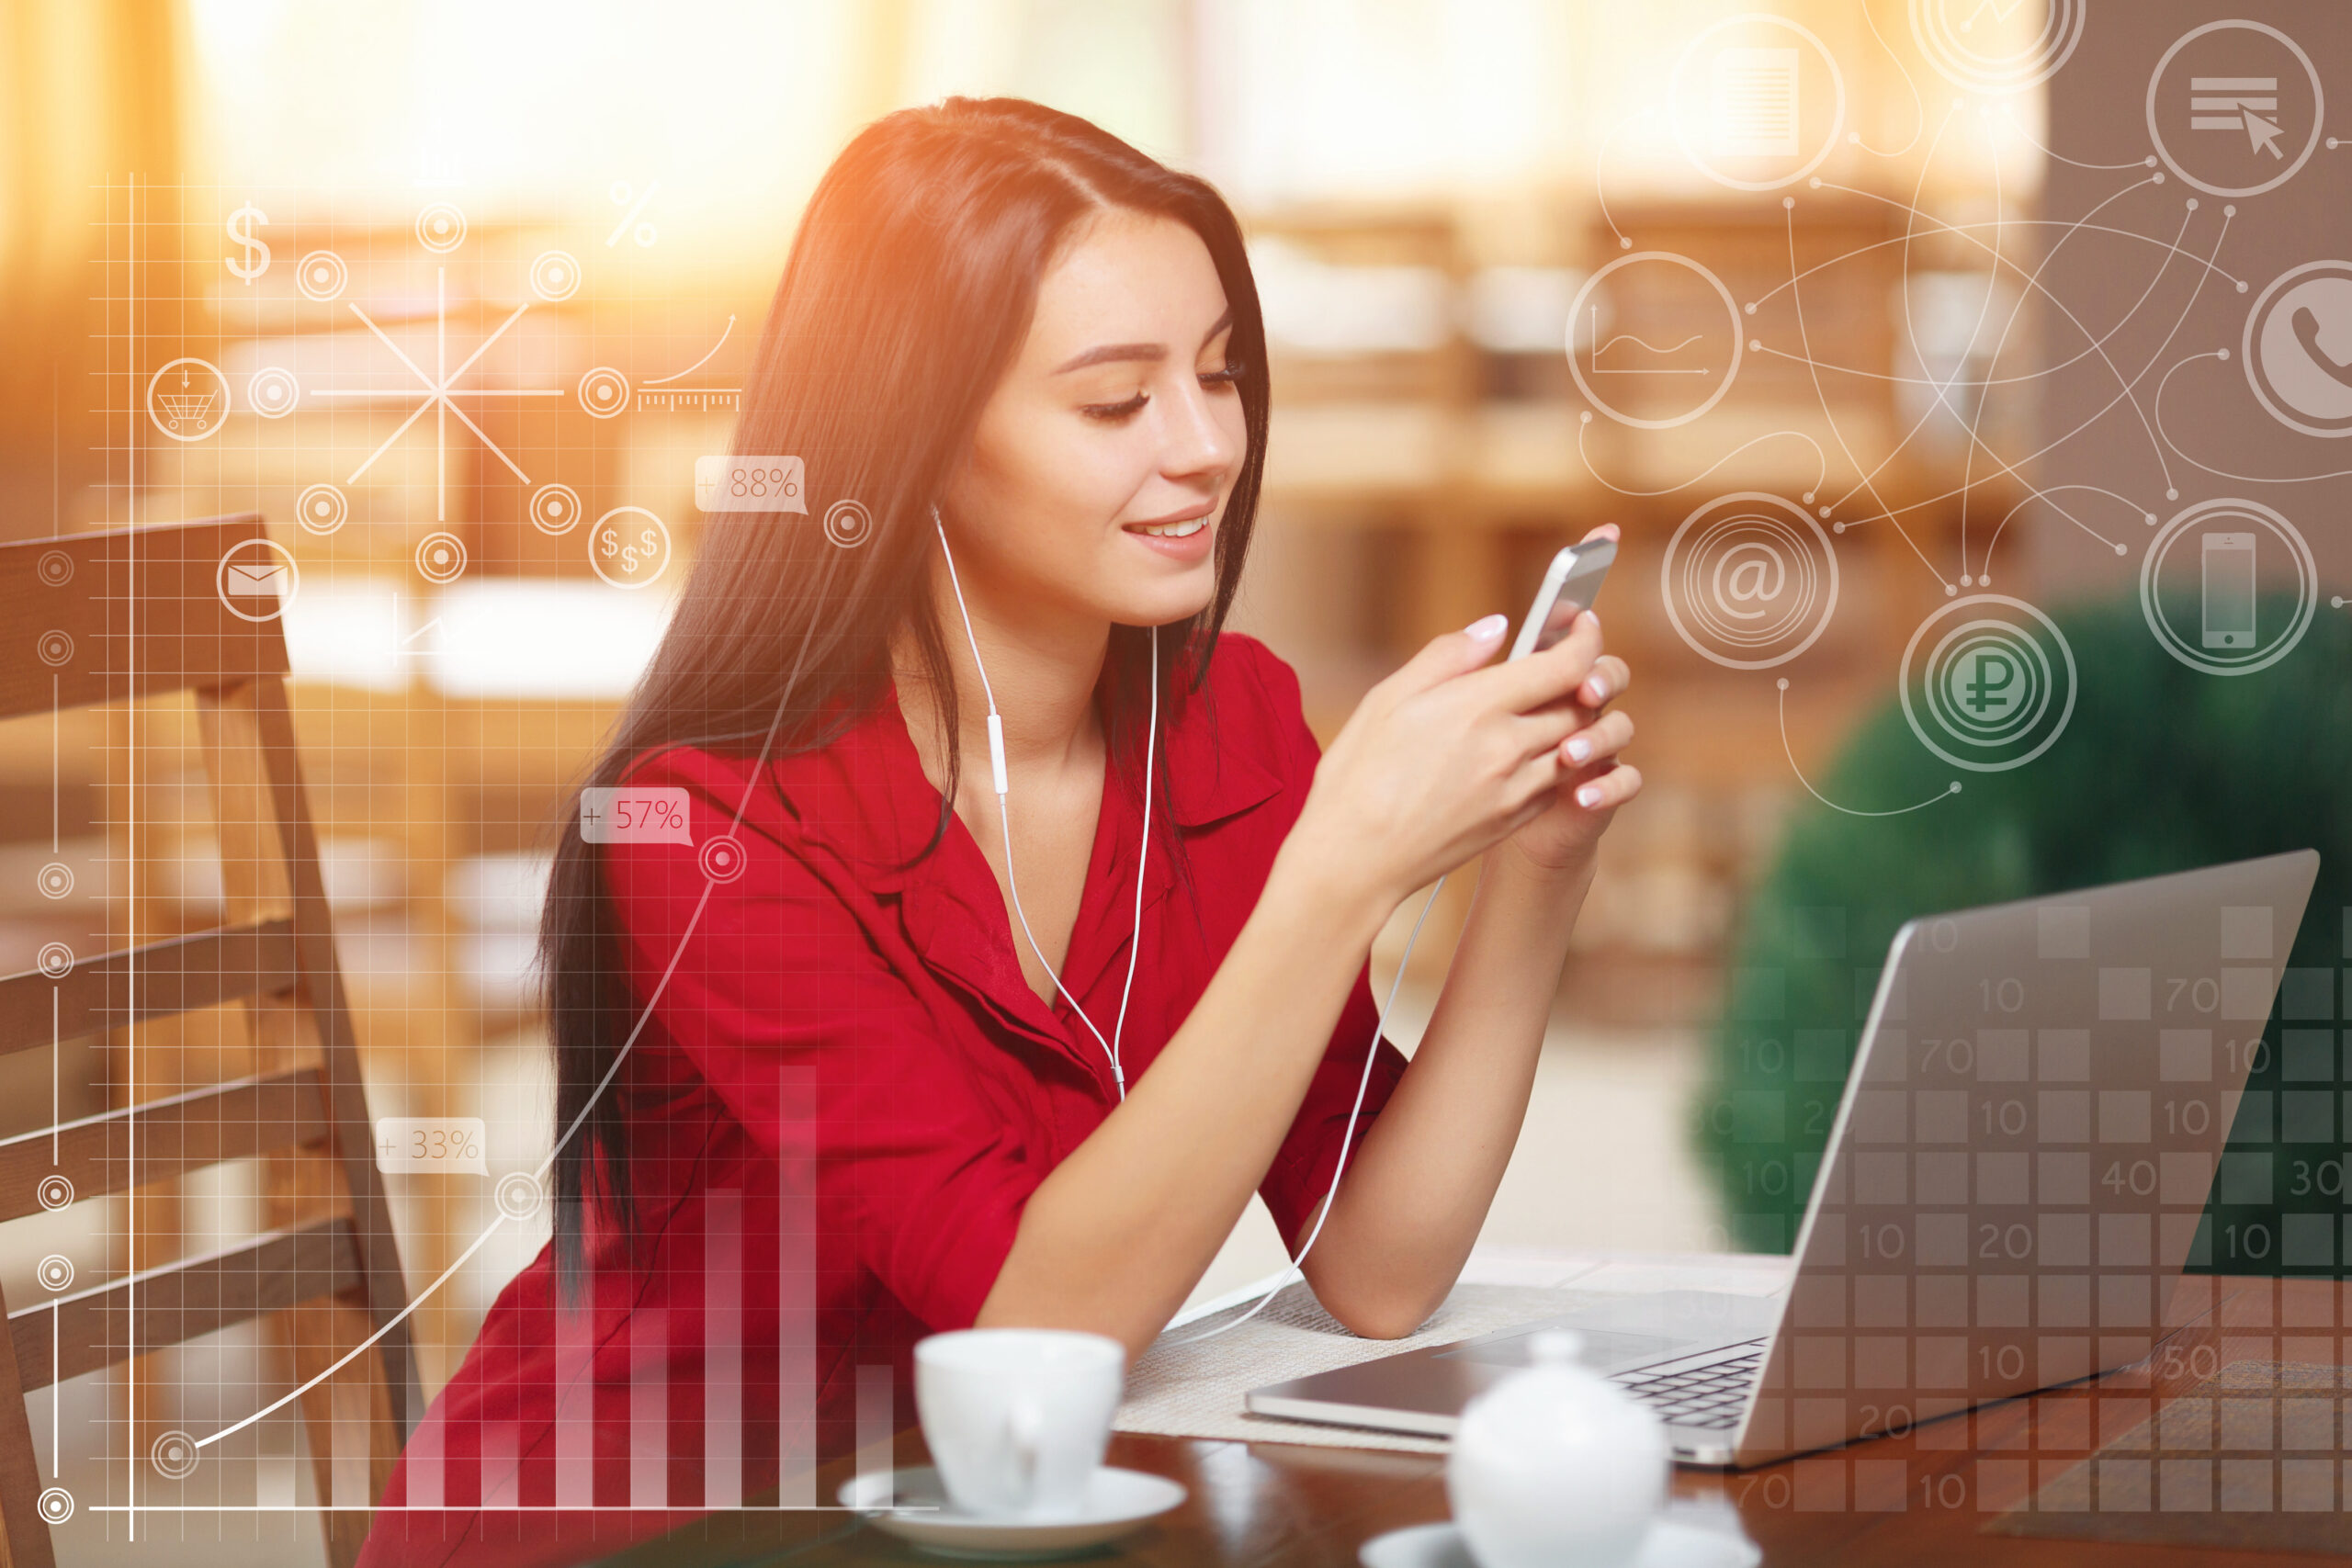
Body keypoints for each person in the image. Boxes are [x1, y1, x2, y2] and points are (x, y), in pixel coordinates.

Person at [357, 96, 1637, 1567]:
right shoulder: (709, 829)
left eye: (1220, 375)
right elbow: (1040, 1324)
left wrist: (1538, 872)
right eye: (1115, 402)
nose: (1208, 444)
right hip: (659, 1524)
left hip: (972, 1514)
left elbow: (1378, 1265)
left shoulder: (1230, 729)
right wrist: (1343, 865)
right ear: (921, 439)